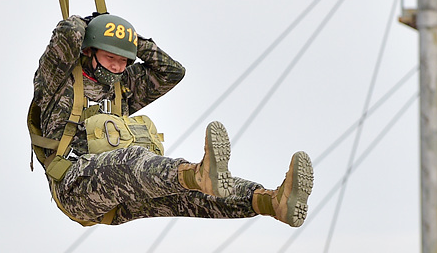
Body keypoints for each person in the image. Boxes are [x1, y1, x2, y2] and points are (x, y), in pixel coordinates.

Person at [27, 13, 314, 227]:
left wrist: (132, 42)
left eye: (124, 60)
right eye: (109, 56)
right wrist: (92, 25)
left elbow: (171, 72)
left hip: (122, 198)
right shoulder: (58, 81)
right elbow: (68, 34)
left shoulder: (121, 86)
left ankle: (271, 202)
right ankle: (195, 174)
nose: (118, 66)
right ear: (88, 51)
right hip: (75, 186)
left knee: (191, 195)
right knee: (130, 161)